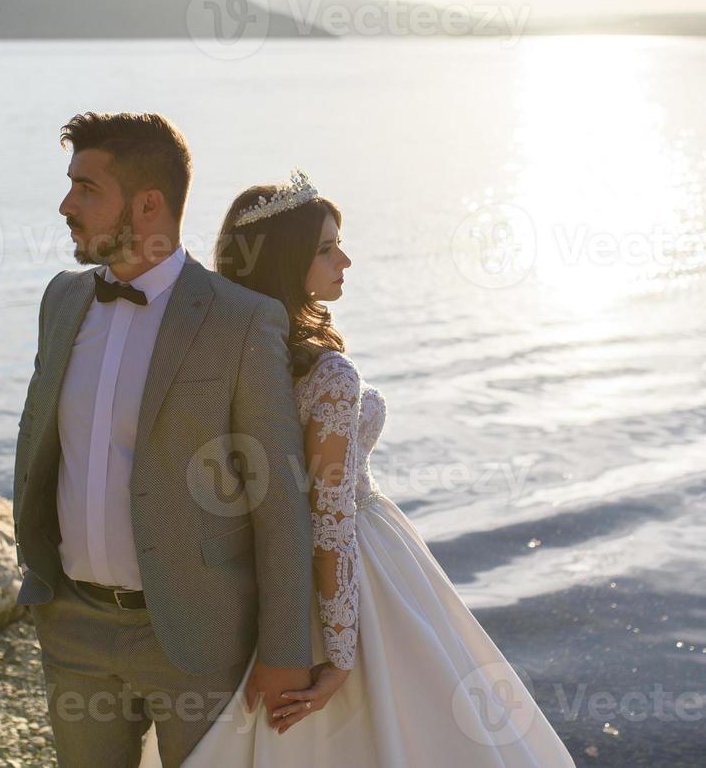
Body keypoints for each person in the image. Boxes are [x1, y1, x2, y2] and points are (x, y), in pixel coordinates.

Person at [138, 168, 577, 767]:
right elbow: (329, 516)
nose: (345, 260)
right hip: (359, 566)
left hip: (256, 568)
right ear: (287, 260)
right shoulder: (330, 377)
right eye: (325, 248)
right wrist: (342, 652)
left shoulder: (223, 356)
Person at [12, 113, 318, 767]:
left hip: (195, 637)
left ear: (148, 203)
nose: (66, 205)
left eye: (86, 188)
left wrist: (286, 651)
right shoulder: (60, 301)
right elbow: (38, 437)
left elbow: (280, 501)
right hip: (71, 625)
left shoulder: (240, 321)